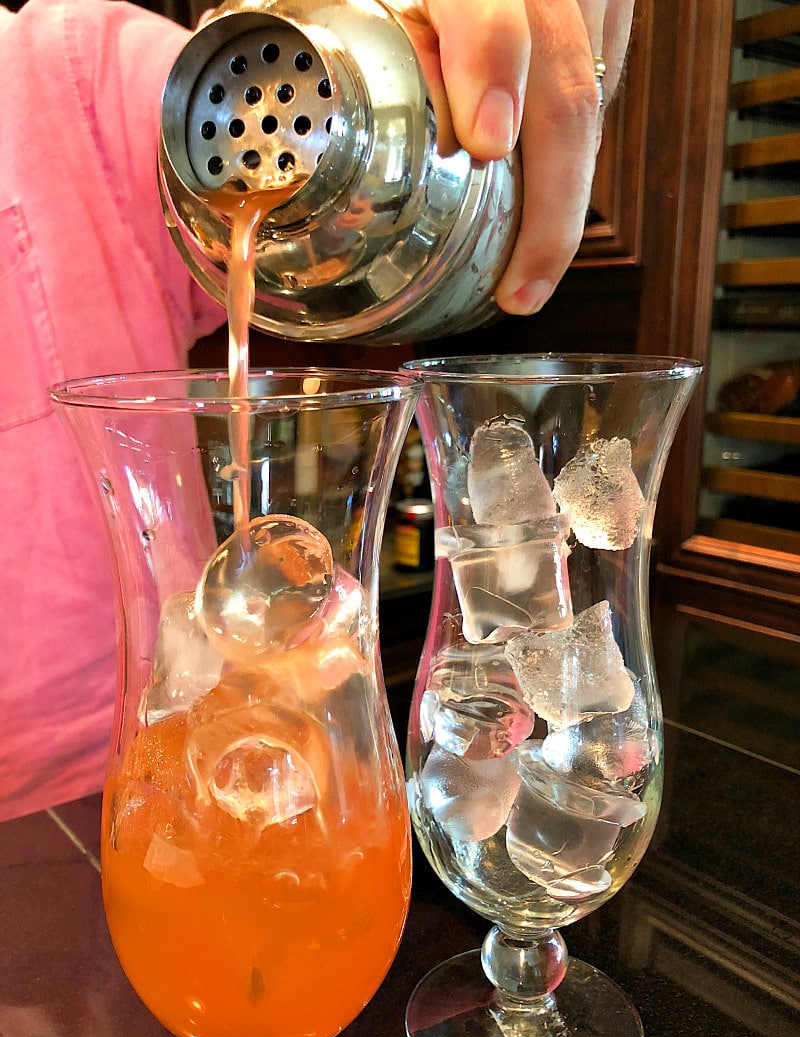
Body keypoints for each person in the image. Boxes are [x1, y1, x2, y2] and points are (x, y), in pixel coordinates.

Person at [0, 0, 633, 821]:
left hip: (164, 787)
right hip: (90, 799)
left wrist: (436, 62)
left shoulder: (70, 80)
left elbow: (286, 169)